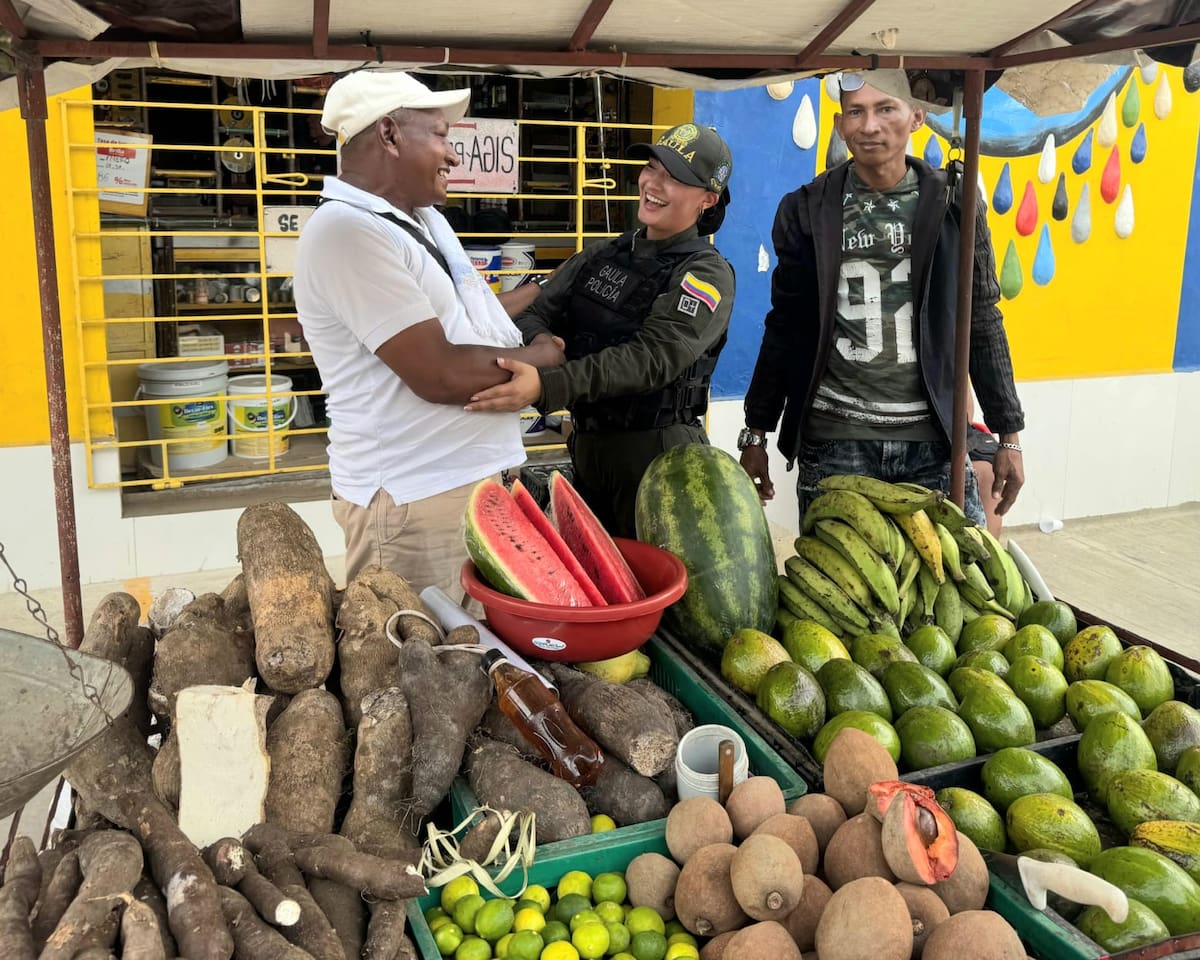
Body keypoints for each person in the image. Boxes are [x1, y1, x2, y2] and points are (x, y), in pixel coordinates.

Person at [294, 70, 565, 596]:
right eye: (440, 135)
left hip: (467, 487)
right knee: (425, 664)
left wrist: (550, 292)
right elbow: (439, 371)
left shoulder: (418, 219)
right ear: (390, 135)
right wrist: (549, 358)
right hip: (417, 502)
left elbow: (467, 317)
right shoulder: (345, 232)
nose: (454, 155)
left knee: (482, 665)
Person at [738, 71, 1025, 527]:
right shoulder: (805, 209)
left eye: (885, 108)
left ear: (916, 116)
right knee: (841, 590)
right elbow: (786, 324)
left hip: (933, 442)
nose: (869, 125)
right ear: (839, 124)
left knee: (954, 581)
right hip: (836, 442)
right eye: (856, 111)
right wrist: (756, 430)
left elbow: (982, 317)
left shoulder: (956, 200)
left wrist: (1008, 434)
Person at [464, 122, 736, 537]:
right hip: (590, 448)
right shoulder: (602, 254)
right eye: (651, 168)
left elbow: (651, 360)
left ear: (707, 199)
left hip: (658, 456)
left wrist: (547, 383)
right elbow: (533, 308)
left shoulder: (706, 273)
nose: (653, 183)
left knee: (653, 591)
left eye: (675, 177)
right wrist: (542, 344)